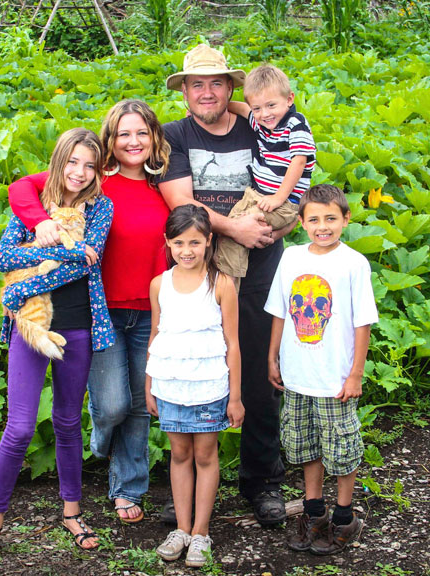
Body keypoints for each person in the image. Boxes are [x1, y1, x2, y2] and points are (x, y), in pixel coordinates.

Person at [6, 99, 172, 523]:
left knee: (138, 403)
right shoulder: (92, 182)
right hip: (101, 312)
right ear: (110, 142)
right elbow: (24, 187)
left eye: (141, 133)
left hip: (148, 308)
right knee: (113, 405)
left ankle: (126, 488)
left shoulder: (166, 184)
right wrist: (39, 225)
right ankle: (103, 446)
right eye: (123, 134)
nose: (133, 142)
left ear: (154, 138)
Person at [0, 128, 114, 564]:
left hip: (77, 327)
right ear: (59, 161)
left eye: (89, 165)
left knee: (69, 421)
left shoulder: (101, 208)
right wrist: (66, 248)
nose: (80, 172)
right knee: (20, 428)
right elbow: (2, 258)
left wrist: (22, 284)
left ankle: (71, 511)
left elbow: (91, 262)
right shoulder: (32, 208)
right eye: (73, 162)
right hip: (30, 328)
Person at [159, 43, 289, 526]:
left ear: (233, 87)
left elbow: (291, 183)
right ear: (185, 91)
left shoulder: (260, 128)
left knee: (256, 370)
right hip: (196, 268)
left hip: (260, 265)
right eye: (198, 84)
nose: (207, 92)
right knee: (188, 366)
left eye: (217, 82)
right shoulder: (172, 135)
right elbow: (179, 201)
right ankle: (186, 483)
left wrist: (278, 226)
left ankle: (262, 480)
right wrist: (235, 228)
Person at [265, 184, 378, 556]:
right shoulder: (291, 258)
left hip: (334, 379)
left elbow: (363, 323)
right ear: (301, 222)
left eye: (331, 218)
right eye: (314, 219)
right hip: (298, 375)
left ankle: (345, 517)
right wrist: (272, 357)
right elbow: (281, 311)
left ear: (346, 219)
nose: (322, 226)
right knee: (305, 446)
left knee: (342, 449)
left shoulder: (353, 263)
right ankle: (314, 513)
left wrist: (355, 374)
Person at [145, 204, 244, 567]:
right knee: (179, 455)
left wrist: (235, 397)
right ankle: (181, 529)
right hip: (170, 384)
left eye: (195, 242)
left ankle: (201, 532)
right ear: (168, 243)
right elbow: (156, 335)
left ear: (209, 242)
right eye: (179, 242)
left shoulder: (221, 284)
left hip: (209, 386)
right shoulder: (160, 284)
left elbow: (232, 343)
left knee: (205, 455)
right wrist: (149, 383)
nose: (187, 250)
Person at [221, 64, 316, 291]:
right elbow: (242, 109)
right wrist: (212, 108)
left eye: (271, 105)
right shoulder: (262, 123)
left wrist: (278, 197)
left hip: (283, 203)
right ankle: (225, 285)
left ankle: (228, 291)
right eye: (258, 108)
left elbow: (299, 162)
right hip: (256, 196)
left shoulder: (296, 124)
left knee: (242, 228)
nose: (265, 114)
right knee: (230, 229)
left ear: (289, 99)